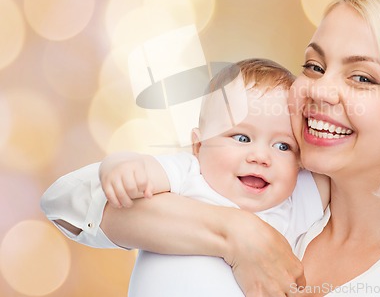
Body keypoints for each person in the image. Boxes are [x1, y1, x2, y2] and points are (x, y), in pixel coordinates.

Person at [42, 0, 380, 297]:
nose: (318, 90)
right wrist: (236, 234)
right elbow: (68, 203)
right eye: (314, 67)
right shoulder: (273, 177)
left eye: (362, 77)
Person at [41, 58, 329, 296]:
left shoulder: (290, 204)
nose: (261, 156)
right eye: (241, 137)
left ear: (300, 163)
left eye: (283, 146)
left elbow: (341, 176)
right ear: (199, 146)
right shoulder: (189, 173)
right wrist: (118, 166)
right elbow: (137, 170)